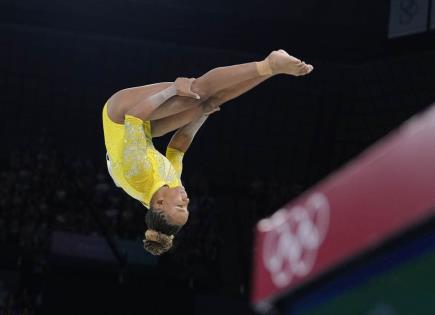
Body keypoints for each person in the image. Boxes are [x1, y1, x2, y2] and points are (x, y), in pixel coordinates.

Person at [102, 49, 313, 255]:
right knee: (206, 104)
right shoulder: (171, 188)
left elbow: (134, 116)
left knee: (195, 92)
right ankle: (272, 71)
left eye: (180, 206)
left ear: (159, 203)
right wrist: (202, 117)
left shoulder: (138, 173)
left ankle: (269, 63)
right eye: (186, 207)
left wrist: (174, 89)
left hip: (120, 114)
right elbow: (177, 148)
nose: (186, 201)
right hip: (141, 133)